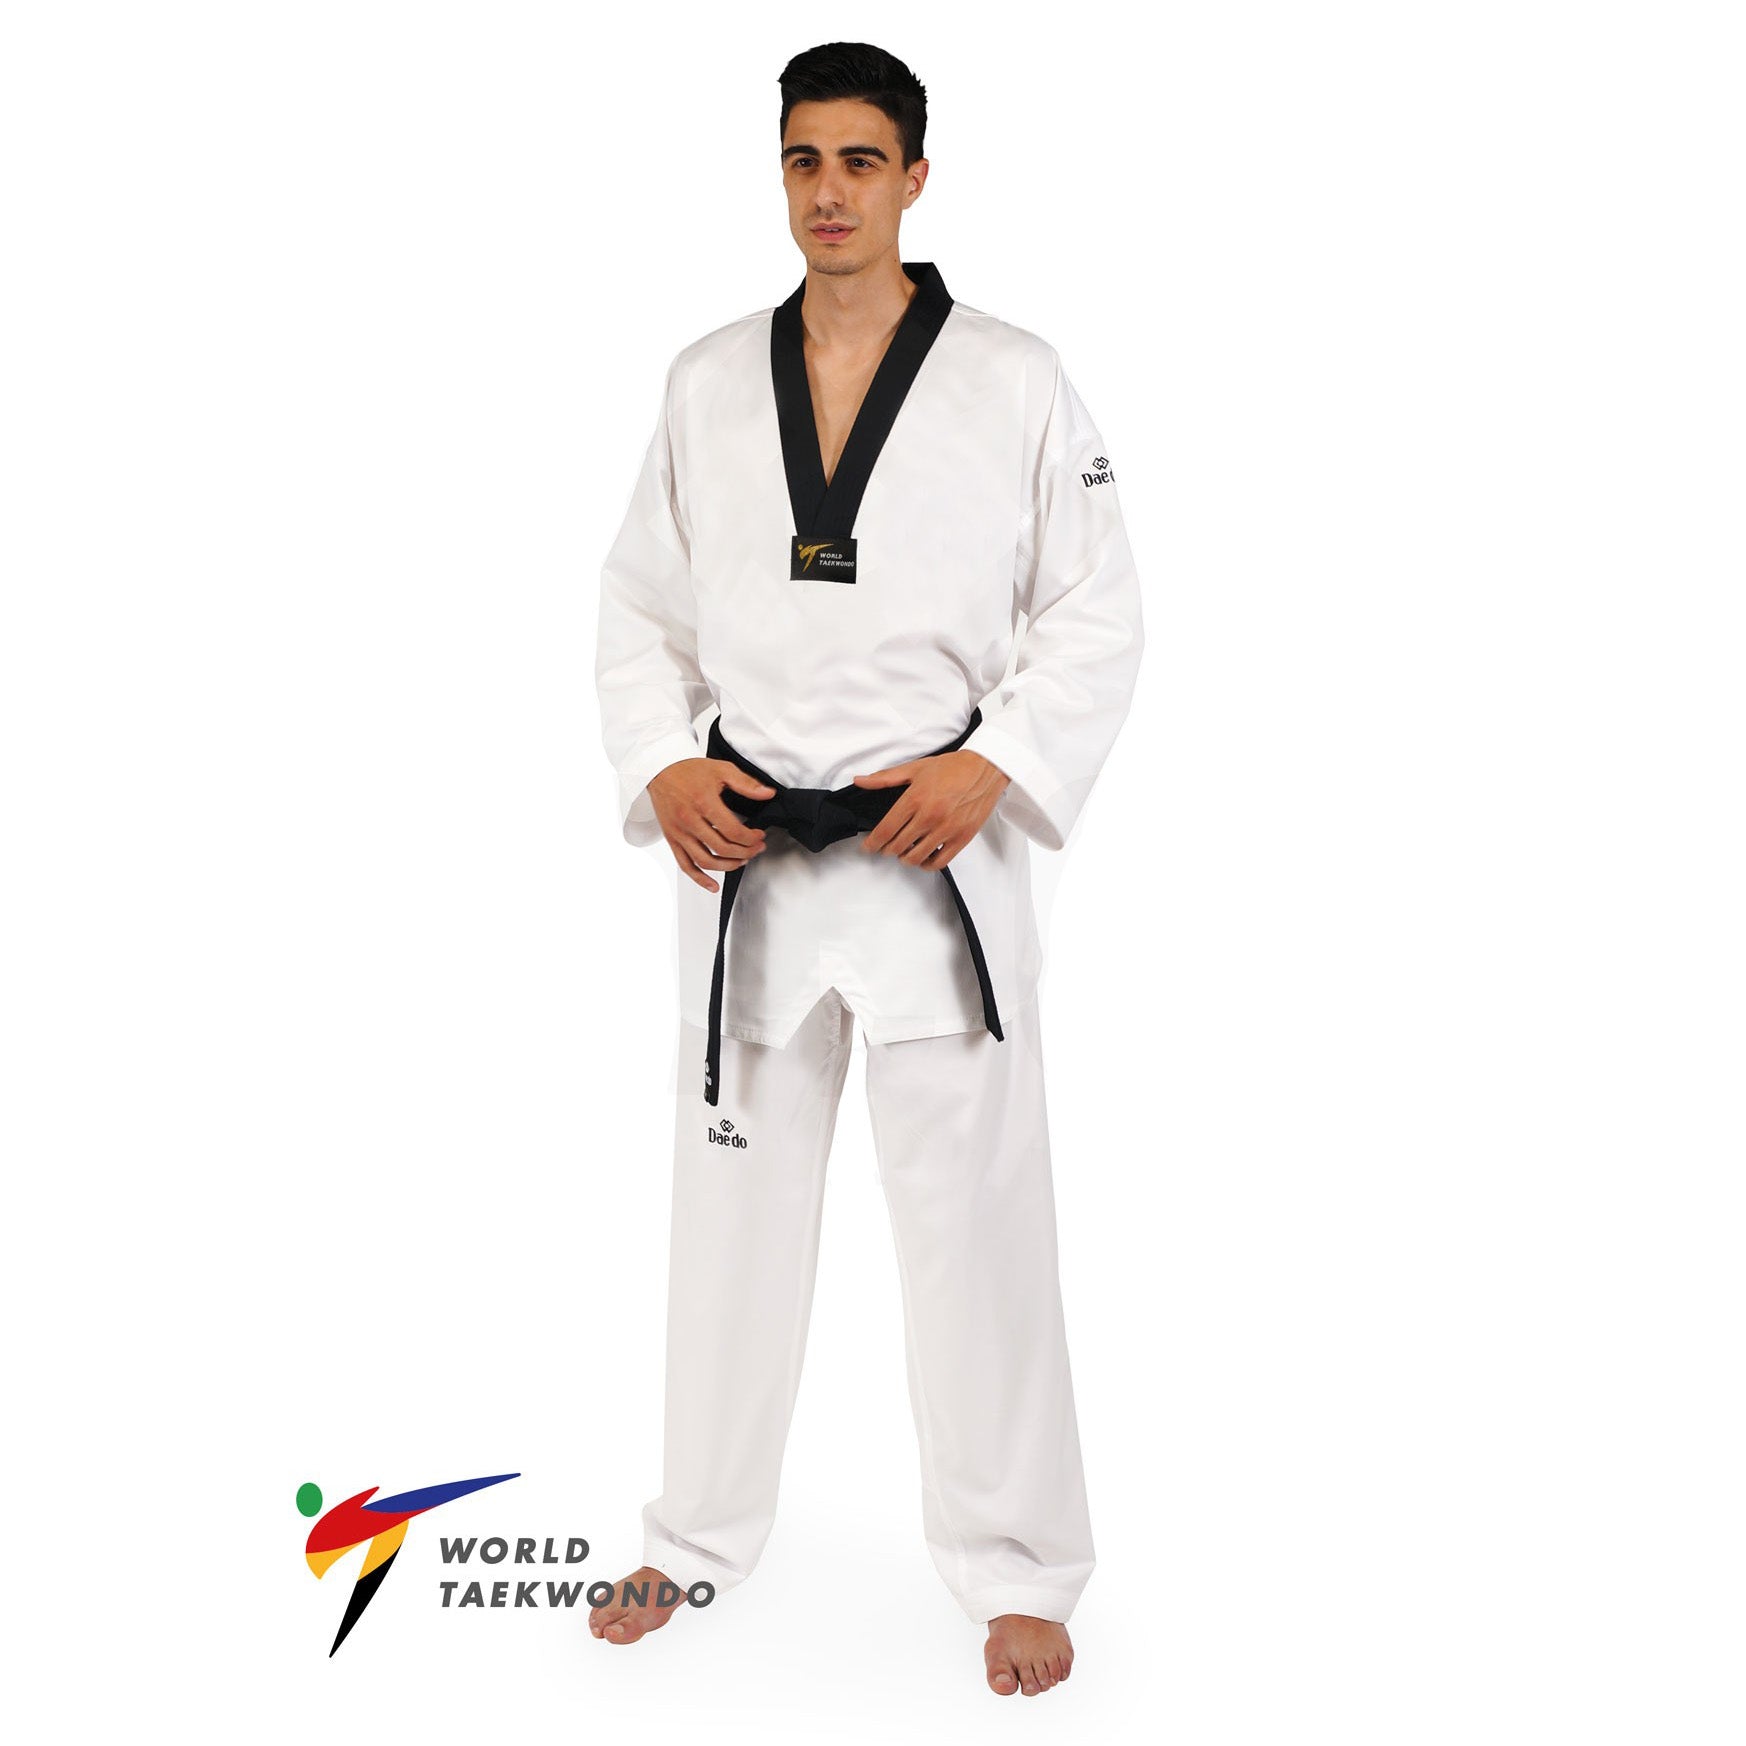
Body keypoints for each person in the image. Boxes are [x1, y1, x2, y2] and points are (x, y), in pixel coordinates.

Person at [589, 41, 1143, 1699]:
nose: (827, 191)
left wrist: (997, 764)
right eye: (801, 159)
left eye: (858, 159)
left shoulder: (1015, 378)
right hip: (751, 858)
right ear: (779, 172)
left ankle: (1019, 1566)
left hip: (929, 862)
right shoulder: (705, 380)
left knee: (977, 1232)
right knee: (725, 1227)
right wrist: (663, 761)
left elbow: (1096, 607)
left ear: (914, 176)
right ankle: (695, 1532)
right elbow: (638, 606)